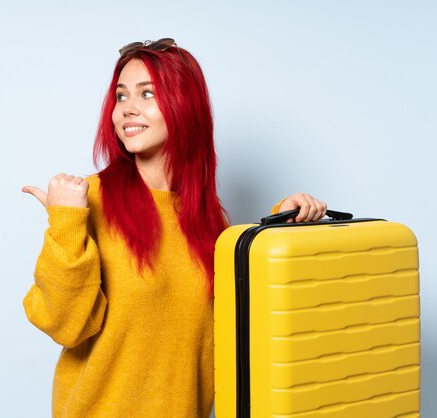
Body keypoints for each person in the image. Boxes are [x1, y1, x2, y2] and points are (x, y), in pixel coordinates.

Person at [21, 38, 327, 418]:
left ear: (185, 106)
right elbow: (65, 325)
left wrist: (280, 226)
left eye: (147, 94)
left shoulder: (211, 218)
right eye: (121, 97)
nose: (128, 110)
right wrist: (66, 224)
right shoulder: (88, 201)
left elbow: (240, 327)